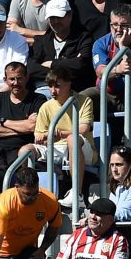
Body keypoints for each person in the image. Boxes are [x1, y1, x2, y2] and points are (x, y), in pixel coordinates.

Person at [19, 66, 96, 208]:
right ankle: (25, 191)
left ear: (69, 84)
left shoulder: (84, 101)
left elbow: (84, 129)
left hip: (81, 147)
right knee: (25, 150)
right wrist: (45, 137)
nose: (53, 91)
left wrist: (59, 133)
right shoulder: (46, 106)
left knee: (72, 139)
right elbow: (38, 135)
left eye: (58, 86)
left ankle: (77, 194)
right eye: (50, 86)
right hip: (55, 148)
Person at [80, 3, 131, 146]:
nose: (118, 29)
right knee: (82, 97)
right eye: (114, 25)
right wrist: (118, 69)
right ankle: (83, 142)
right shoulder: (101, 43)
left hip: (130, 96)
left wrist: (124, 47)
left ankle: (130, 143)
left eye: (123, 25)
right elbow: (100, 72)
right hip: (106, 94)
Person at [27, 0, 95, 93]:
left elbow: (81, 64)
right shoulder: (41, 40)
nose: (55, 22)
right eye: (51, 18)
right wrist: (66, 68)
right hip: (43, 91)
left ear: (70, 16)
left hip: (73, 92)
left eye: (59, 17)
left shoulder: (83, 38)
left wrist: (51, 64)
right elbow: (31, 68)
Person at [0, 62, 46, 165]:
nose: (16, 83)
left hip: (21, 150)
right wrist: (22, 128)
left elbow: (32, 127)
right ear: (5, 80)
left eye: (19, 78)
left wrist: (3, 122)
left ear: (27, 78)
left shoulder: (38, 99)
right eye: (12, 79)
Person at [54, 197, 128, 259]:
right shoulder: (77, 234)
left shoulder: (118, 240)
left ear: (110, 220)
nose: (93, 217)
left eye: (99, 214)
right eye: (92, 212)